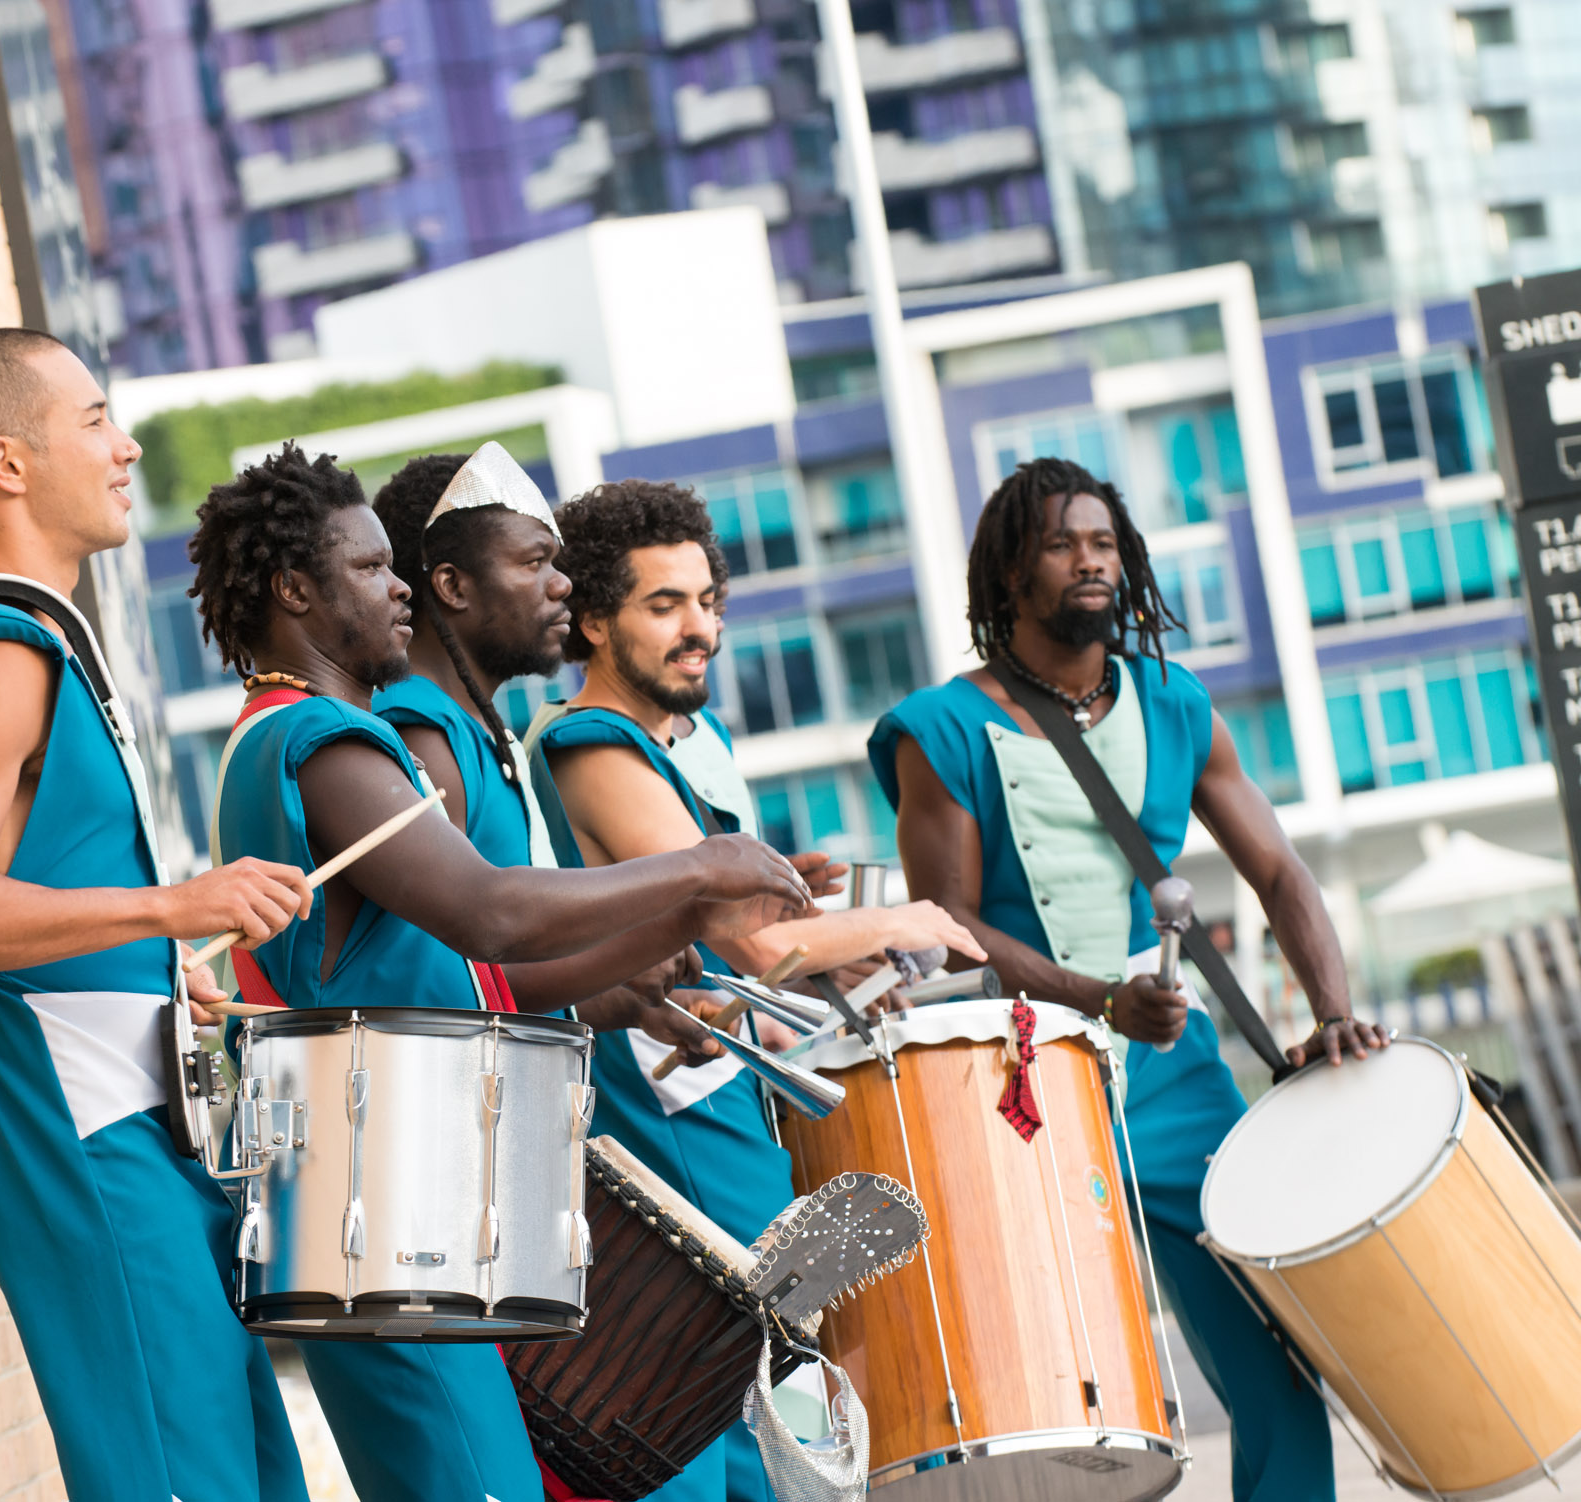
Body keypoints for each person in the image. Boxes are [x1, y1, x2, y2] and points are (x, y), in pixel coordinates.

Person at [188, 444, 814, 1502]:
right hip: (376, 1190)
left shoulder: (306, 732)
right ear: (297, 589)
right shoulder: (324, 740)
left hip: (402, 1187)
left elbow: (459, 968)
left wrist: (644, 954)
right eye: (373, 567)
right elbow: (489, 910)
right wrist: (698, 861)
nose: (398, 586)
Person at [0, 329, 318, 1501]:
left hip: (134, 1122)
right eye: (97, 418)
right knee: (177, 1473)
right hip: (83, 1131)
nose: (128, 443)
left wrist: (151, 957)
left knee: (246, 1465)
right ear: (7, 460)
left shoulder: (43, 641)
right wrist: (170, 902)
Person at [869, 457, 1388, 1502]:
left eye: (1104, 541)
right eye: (1062, 543)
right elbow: (950, 924)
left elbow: (1280, 869)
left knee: (1276, 1368)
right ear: (1011, 572)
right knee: (1051, 1406)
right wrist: (1099, 1000)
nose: (1091, 559)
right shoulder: (943, 728)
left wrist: (1334, 1011)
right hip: (1022, 1094)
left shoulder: (1175, 702)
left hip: (1177, 1084)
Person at [525, 478, 985, 1502]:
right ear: (592, 617)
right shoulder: (592, 745)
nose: (702, 628)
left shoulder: (690, 743)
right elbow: (751, 941)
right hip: (669, 1115)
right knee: (741, 1419)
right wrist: (896, 922)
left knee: (776, 1413)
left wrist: (832, 936)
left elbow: (744, 933)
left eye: (707, 600)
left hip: (728, 1098)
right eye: (663, 605)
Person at [367, 444, 730, 1055]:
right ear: (453, 585)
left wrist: (619, 1002)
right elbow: (447, 981)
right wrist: (686, 900)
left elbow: (490, 983)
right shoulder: (419, 734)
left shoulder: (477, 728)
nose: (562, 584)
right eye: (534, 562)